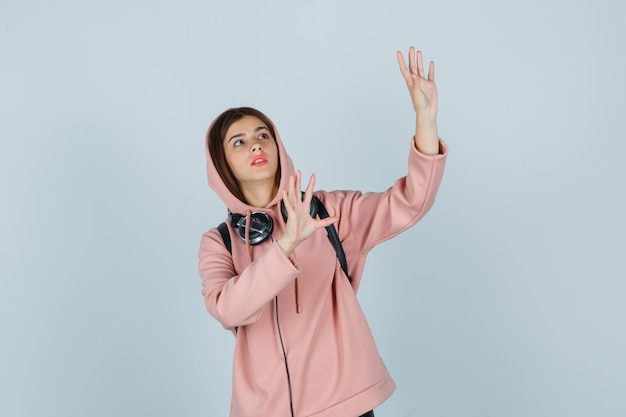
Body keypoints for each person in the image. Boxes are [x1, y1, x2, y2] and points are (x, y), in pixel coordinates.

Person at [198, 47, 448, 417]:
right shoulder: (218, 242)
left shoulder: (329, 212)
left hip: (345, 405)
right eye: (239, 141)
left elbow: (409, 202)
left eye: (263, 134)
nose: (255, 144)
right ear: (222, 166)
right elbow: (229, 309)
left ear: (279, 146)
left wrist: (425, 122)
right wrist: (285, 245)